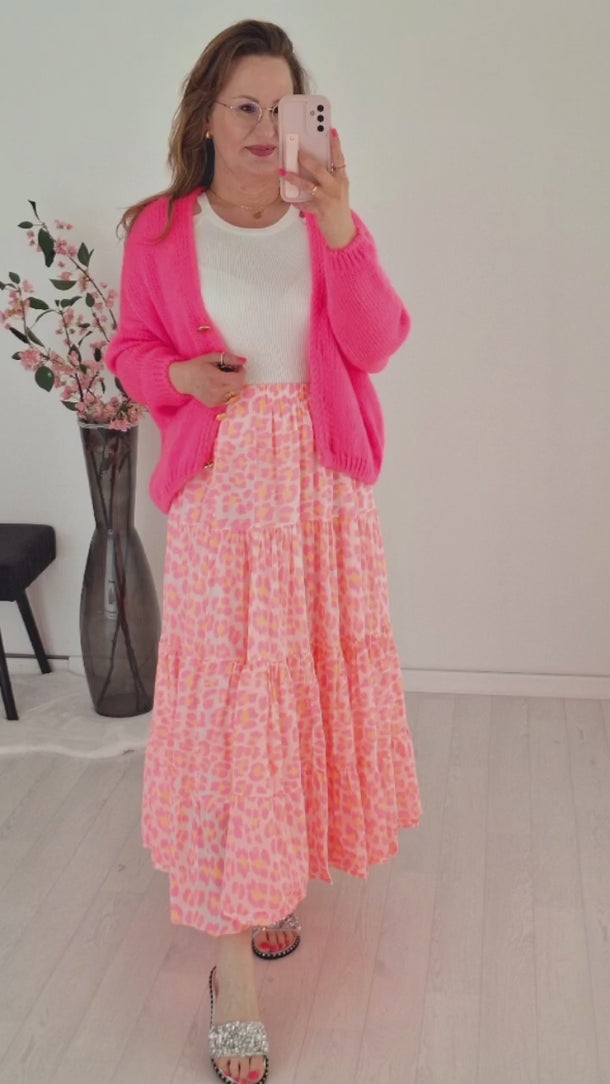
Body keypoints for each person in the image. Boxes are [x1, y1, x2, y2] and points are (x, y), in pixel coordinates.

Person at [105, 18, 421, 1084]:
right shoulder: (159, 230)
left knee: (296, 695)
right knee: (229, 711)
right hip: (222, 498)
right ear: (204, 114)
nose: (257, 125)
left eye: (279, 107)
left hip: (321, 494)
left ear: (305, 118)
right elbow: (130, 349)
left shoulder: (322, 221)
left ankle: (272, 872)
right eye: (241, 104)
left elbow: (376, 343)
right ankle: (231, 967)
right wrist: (179, 378)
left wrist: (339, 225)